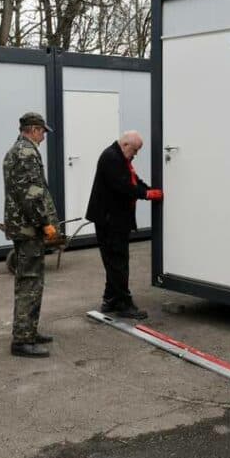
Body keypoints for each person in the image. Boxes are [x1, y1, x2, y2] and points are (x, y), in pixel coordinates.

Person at [85, 130, 163, 319]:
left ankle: (110, 299)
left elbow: (133, 181)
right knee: (118, 261)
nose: (135, 154)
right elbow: (124, 186)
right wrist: (146, 194)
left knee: (114, 260)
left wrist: (149, 189)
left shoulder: (120, 158)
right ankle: (124, 304)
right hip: (110, 219)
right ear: (126, 145)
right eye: (135, 150)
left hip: (113, 218)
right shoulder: (111, 158)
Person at [3, 112, 60, 357]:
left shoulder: (17, 150)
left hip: (23, 226)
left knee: (33, 280)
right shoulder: (26, 153)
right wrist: (44, 222)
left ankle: (30, 330)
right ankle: (22, 340)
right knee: (29, 281)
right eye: (43, 132)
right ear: (34, 129)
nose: (44, 136)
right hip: (29, 228)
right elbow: (31, 194)